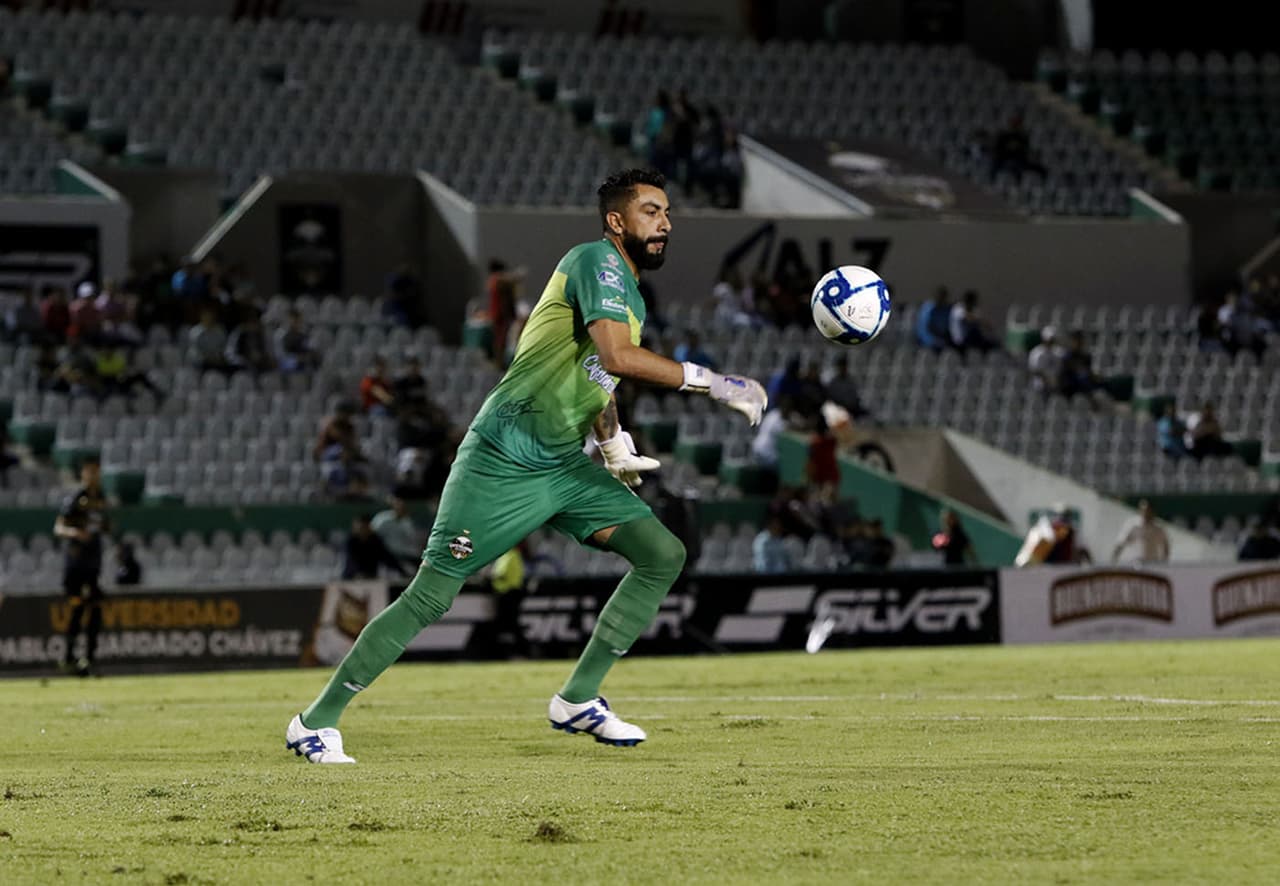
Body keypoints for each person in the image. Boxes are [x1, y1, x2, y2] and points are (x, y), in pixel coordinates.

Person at [285, 168, 767, 762]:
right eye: (650, 211)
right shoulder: (596, 260)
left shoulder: (629, 293)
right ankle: (314, 721)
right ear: (617, 221)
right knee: (431, 597)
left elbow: (599, 374)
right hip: (503, 457)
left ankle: (579, 698)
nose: (664, 222)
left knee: (662, 554)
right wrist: (714, 383)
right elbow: (620, 355)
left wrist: (611, 440)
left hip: (563, 464)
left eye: (667, 212)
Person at [54, 460, 110, 677]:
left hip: (93, 563)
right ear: (84, 474)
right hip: (77, 564)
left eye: (97, 471)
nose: (94, 475)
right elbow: (59, 527)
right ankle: (69, 657)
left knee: (95, 609)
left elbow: (101, 524)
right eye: (90, 471)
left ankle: (89, 658)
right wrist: (76, 534)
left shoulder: (100, 499)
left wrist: (105, 528)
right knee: (78, 610)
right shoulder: (77, 498)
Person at [342, 514, 412, 580]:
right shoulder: (351, 541)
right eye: (360, 528)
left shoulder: (375, 541)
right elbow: (352, 560)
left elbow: (387, 557)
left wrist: (402, 572)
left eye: (364, 527)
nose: (362, 530)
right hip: (351, 578)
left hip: (371, 578)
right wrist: (358, 573)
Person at [370, 495, 423, 570]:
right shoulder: (383, 519)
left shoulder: (408, 522)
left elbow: (413, 541)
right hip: (387, 555)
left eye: (404, 506)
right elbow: (372, 536)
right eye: (399, 505)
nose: (402, 508)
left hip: (407, 555)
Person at [1111, 499, 1170, 564]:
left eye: (1148, 511)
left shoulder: (1158, 529)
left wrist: (1164, 562)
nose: (1146, 514)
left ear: (1153, 512)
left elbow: (1165, 546)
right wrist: (1114, 561)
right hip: (1135, 564)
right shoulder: (1132, 526)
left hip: (1153, 564)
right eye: (1143, 511)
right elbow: (1120, 544)